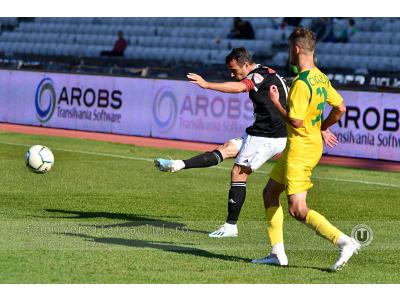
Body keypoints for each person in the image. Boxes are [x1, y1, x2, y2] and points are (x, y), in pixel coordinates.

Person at [251, 27, 360, 271]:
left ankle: (344, 242)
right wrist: (321, 126)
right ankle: (277, 253)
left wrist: (277, 103)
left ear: (297, 49)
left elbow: (296, 121)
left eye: (291, 48)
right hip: (305, 146)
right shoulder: (321, 76)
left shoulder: (301, 83)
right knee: (270, 193)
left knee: (297, 209)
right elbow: (340, 108)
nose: (290, 52)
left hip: (300, 150)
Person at [154, 47, 288, 238]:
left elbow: (240, 87)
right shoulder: (268, 72)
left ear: (245, 64)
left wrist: (207, 85)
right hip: (260, 131)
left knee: (238, 173)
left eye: (234, 70)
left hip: (268, 135)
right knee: (225, 149)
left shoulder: (258, 75)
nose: (233, 75)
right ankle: (178, 165)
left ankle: (231, 226)